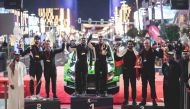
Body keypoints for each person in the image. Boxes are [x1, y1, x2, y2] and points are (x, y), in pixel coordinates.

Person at [139, 39, 161, 106]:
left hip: (151, 71)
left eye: (147, 43)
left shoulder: (153, 50)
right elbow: (138, 60)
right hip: (144, 71)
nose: (146, 44)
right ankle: (144, 100)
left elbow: (160, 55)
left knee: (152, 86)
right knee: (144, 86)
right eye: (145, 43)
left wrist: (160, 48)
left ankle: (153, 100)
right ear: (144, 44)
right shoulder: (142, 51)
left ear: (150, 44)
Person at [119, 40, 137, 106]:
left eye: (131, 44)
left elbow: (138, 60)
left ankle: (134, 99)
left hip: (133, 71)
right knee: (126, 86)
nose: (130, 45)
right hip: (126, 71)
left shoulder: (135, 52)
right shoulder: (124, 52)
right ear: (127, 45)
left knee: (133, 86)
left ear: (133, 45)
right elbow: (118, 57)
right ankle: (126, 99)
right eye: (129, 44)